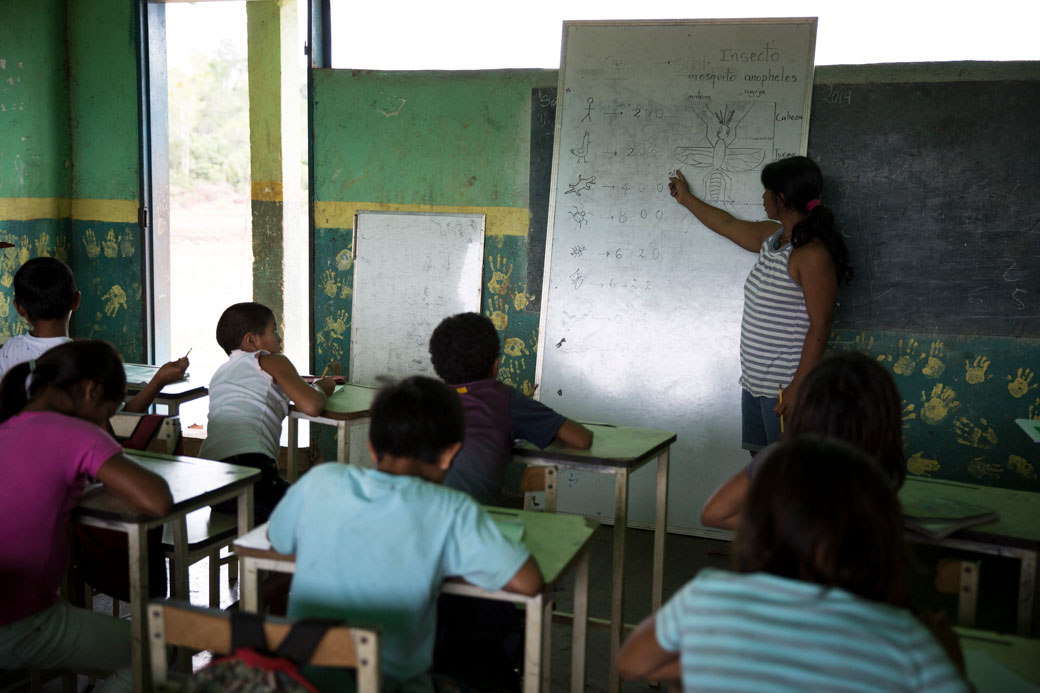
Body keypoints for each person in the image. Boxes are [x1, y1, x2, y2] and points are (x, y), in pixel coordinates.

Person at [617, 435, 968, 692]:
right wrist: (951, 657)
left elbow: (631, 664)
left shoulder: (707, 597)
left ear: (757, 527)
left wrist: (720, 660)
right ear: (877, 536)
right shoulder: (907, 641)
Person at [267, 376, 543, 692]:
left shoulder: (321, 481)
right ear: (450, 453)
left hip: (301, 682)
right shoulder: (452, 509)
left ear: (372, 447)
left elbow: (278, 538)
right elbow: (528, 582)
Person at [0, 340, 173, 692]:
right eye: (109, 413)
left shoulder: (7, 424)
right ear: (93, 390)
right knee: (155, 647)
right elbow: (157, 500)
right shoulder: (79, 433)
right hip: (21, 620)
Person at [668, 156, 853, 454]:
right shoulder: (772, 239)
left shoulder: (811, 255)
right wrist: (686, 199)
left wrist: (796, 388)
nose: (762, 197)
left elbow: (821, 327)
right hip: (755, 384)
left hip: (785, 388)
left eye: (767, 191)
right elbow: (726, 224)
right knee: (761, 469)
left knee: (786, 476)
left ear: (782, 198)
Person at [701, 350, 906, 530]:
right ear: (886, 414)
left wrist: (790, 528)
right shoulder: (882, 468)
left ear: (807, 406)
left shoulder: (781, 457)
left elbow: (714, 514)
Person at [428, 312, 592, 506]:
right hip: (471, 522)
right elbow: (581, 440)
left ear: (437, 365)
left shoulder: (423, 397)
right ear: (495, 364)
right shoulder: (503, 398)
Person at [199, 302, 335, 522]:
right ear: (252, 340)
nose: (279, 338)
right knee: (322, 514)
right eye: (273, 330)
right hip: (249, 471)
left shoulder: (220, 373)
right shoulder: (269, 360)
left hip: (209, 479)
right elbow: (312, 405)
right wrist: (322, 387)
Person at [0, 257, 188, 411]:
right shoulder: (87, 360)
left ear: (19, 308)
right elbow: (123, 421)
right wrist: (159, 380)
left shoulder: (8, 351)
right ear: (76, 300)